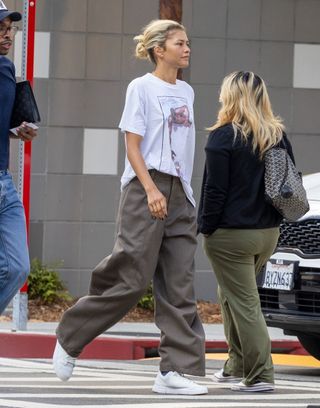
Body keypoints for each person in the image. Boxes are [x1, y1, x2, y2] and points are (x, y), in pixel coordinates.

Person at [53, 19, 207, 396]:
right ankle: (70, 337)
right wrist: (152, 189)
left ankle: (174, 371)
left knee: (179, 282)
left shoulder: (186, 91)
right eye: (179, 43)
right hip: (145, 187)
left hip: (180, 192)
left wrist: (182, 195)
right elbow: (133, 146)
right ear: (159, 49)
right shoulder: (141, 88)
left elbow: (182, 150)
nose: (187, 49)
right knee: (131, 276)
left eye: (187, 43)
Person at [197, 71, 295, 392]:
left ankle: (260, 374)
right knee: (231, 295)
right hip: (267, 233)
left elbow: (215, 192)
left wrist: (206, 229)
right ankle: (236, 363)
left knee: (244, 302)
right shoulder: (276, 135)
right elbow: (286, 187)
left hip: (231, 235)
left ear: (231, 96)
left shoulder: (223, 136)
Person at [0, 1, 38, 315]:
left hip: (4, 182)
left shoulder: (7, 68)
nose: (7, 35)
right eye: (0, 28)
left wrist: (18, 131)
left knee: (17, 267)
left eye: (9, 28)